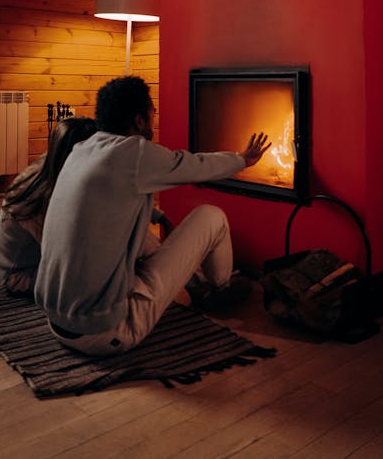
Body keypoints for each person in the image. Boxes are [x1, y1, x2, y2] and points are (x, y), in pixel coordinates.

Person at [34, 76, 271, 355]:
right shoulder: (133, 153)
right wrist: (243, 159)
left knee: (143, 238)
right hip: (105, 333)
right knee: (212, 216)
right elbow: (196, 165)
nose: (154, 116)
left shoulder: (82, 150)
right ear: (138, 120)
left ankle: (199, 286)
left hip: (58, 320)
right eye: (151, 111)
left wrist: (157, 216)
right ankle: (219, 288)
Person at [0, 116, 97, 296]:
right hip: (21, 276)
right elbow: (60, 251)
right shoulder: (39, 196)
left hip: (40, 261)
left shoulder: (51, 166)